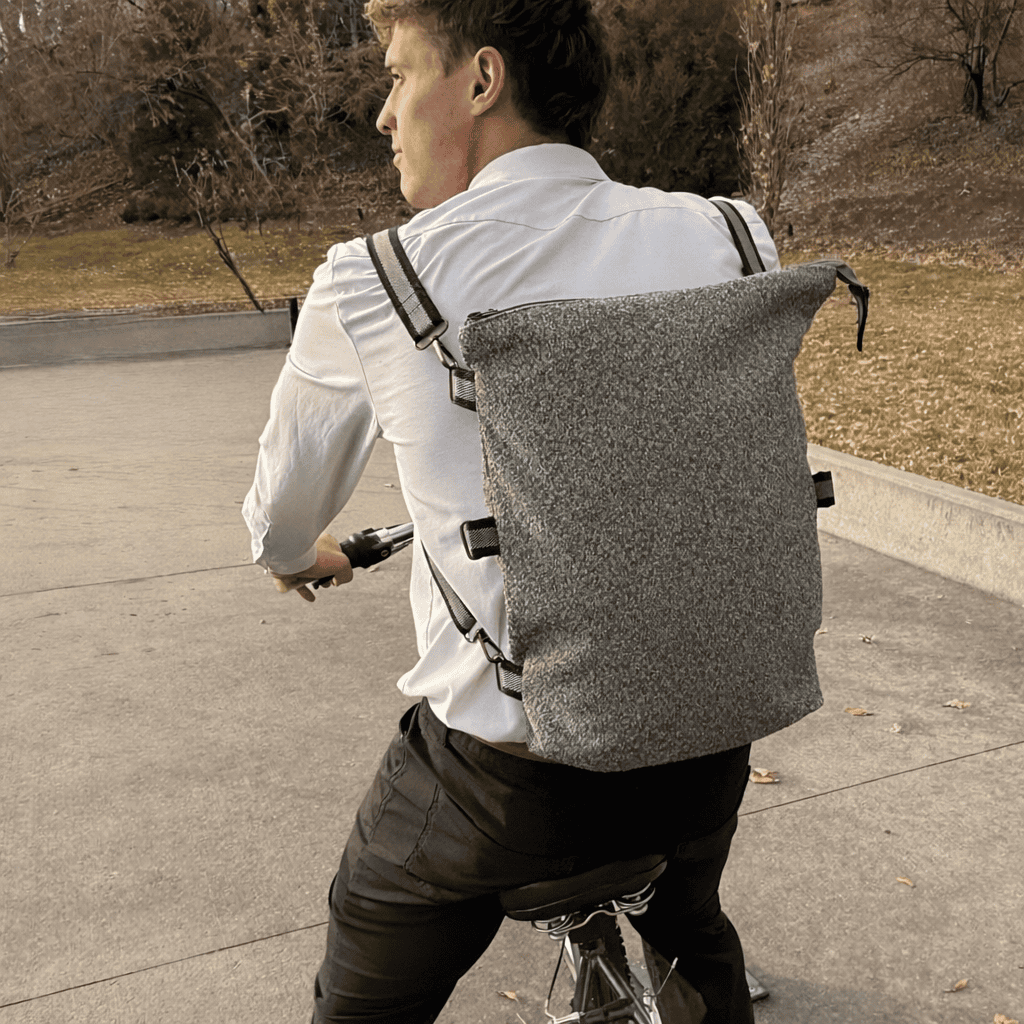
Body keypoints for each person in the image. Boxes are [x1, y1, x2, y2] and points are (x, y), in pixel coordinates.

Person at [242, 2, 782, 1021]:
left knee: (364, 952)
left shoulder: (377, 280)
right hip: (709, 742)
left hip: (506, 785)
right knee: (690, 918)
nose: (384, 115)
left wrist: (300, 556)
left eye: (399, 76)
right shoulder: (730, 234)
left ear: (482, 80)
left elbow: (277, 521)